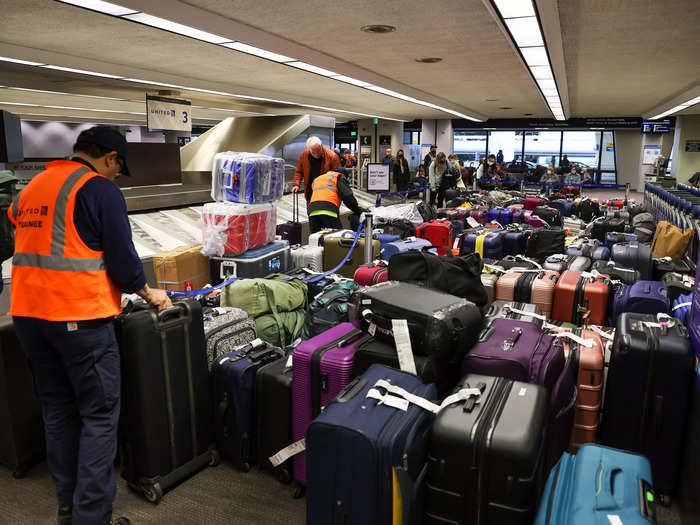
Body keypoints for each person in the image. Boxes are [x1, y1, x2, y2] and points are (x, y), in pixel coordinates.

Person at [8, 126, 172, 525]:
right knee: (99, 416)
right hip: (79, 319)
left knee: (59, 413)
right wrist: (150, 294)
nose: (116, 175)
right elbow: (122, 260)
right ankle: (93, 518)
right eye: (118, 167)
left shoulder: (30, 188)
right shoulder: (99, 189)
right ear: (110, 158)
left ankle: (67, 510)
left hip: (28, 318)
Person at [292, 136, 341, 203]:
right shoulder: (305, 155)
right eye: (313, 153)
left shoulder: (332, 157)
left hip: (326, 194)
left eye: (318, 151)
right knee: (311, 212)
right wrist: (296, 184)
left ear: (321, 146)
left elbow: (338, 177)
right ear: (309, 149)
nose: (317, 155)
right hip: (310, 192)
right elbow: (299, 172)